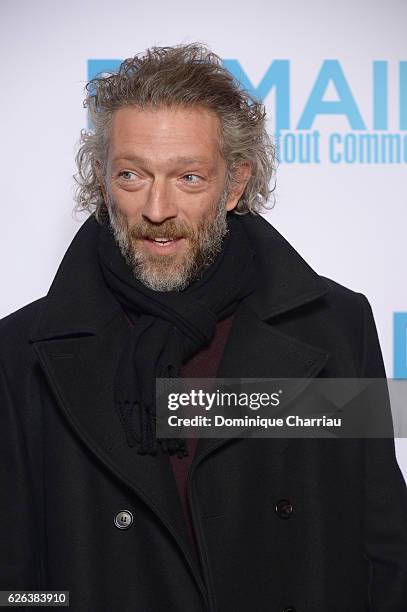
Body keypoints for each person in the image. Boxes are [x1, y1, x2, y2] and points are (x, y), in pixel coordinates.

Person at [1, 43, 406, 612]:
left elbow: (386, 550)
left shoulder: (334, 328)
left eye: (189, 177)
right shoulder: (21, 355)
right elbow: (15, 583)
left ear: (235, 184)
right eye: (131, 175)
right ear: (102, 178)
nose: (158, 207)